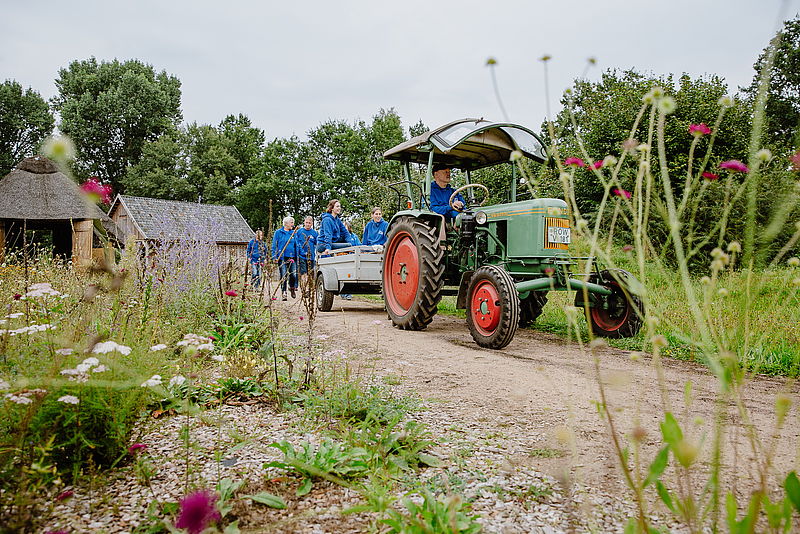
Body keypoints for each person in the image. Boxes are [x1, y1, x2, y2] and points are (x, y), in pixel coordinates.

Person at [271, 216, 299, 300]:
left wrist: (299, 254)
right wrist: (274, 256)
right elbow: (274, 245)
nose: (293, 225)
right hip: (282, 257)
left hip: (292, 257)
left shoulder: (293, 233)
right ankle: (284, 292)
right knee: (283, 275)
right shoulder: (278, 232)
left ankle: (292, 288)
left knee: (293, 275)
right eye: (291, 223)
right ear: (286, 223)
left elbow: (297, 245)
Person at [340, 221, 362, 300]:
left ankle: (348, 293)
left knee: (351, 276)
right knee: (344, 276)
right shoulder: (340, 237)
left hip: (353, 258)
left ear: (349, 228)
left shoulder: (354, 236)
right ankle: (344, 293)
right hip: (343, 258)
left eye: (346, 227)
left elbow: (359, 245)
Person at [296, 215, 318, 285]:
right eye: (306, 222)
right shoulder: (299, 232)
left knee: (310, 273)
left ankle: (309, 288)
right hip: (302, 256)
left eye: (309, 223)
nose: (308, 224)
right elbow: (297, 243)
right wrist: (301, 252)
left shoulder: (314, 233)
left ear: (312, 224)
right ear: (304, 222)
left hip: (311, 256)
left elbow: (317, 244)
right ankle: (304, 288)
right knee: (303, 272)